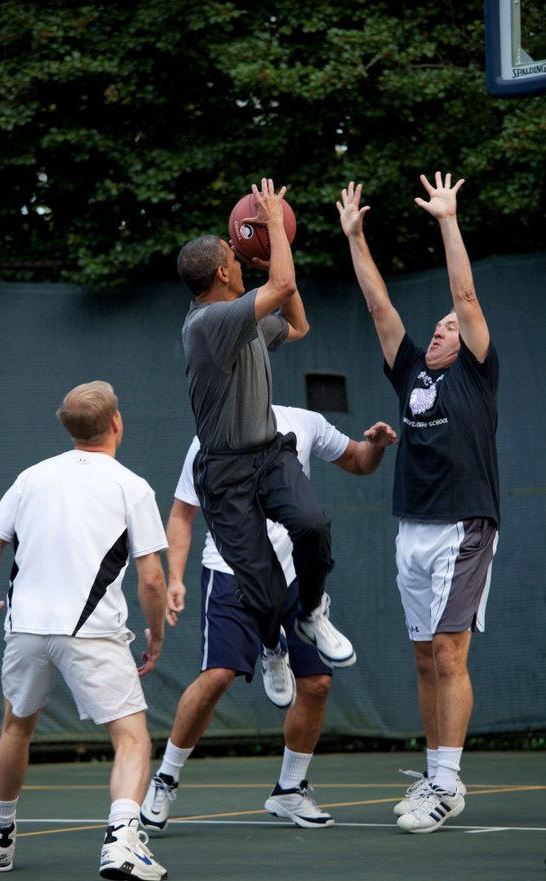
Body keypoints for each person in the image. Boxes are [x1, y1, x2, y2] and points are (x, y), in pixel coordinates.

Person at [139, 405, 397, 831]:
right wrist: (176, 579)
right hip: (230, 573)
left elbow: (357, 461)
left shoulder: (305, 422)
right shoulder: (210, 437)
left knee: (316, 683)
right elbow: (183, 515)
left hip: (293, 574)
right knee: (218, 675)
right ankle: (166, 777)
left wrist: (376, 445)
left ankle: (290, 791)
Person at [337, 173, 499, 833]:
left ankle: (447, 783)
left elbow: (462, 293)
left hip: (464, 522)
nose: (439, 329)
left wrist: (446, 219)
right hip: (411, 526)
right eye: (435, 325)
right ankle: (435, 774)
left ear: (464, 338)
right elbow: (378, 305)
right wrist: (354, 236)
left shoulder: (476, 373)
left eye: (448, 326)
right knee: (421, 655)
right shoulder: (412, 372)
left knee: (447, 652)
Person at [0, 381, 169, 881]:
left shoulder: (30, 477)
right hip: (91, 631)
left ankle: (1, 834)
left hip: (26, 628)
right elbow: (153, 576)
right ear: (116, 423)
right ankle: (121, 843)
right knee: (132, 738)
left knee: (15, 727)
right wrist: (156, 633)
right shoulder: (131, 485)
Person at [180, 177, 353, 709]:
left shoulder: (246, 320)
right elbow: (277, 289)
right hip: (226, 470)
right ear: (222, 273)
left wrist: (276, 262)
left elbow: (297, 323)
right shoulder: (210, 323)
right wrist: (275, 226)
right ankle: (273, 646)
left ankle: (312, 611)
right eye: (235, 251)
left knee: (312, 525)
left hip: (268, 453)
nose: (240, 253)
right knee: (259, 578)